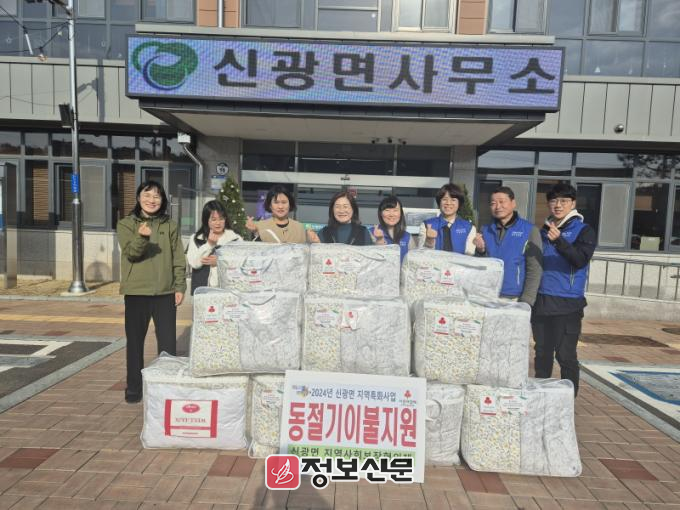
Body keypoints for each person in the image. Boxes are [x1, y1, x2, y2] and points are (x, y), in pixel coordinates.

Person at [117, 180, 186, 404]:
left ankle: (166, 387)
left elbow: (178, 257)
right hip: (136, 292)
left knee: (168, 344)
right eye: (147, 195)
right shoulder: (126, 224)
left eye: (157, 196)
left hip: (165, 292)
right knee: (135, 343)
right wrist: (142, 236)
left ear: (162, 200)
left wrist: (179, 286)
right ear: (138, 198)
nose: (152, 200)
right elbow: (131, 253)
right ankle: (134, 388)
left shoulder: (170, 225)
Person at [531, 183, 596, 396]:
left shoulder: (584, 230)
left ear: (573, 204)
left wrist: (560, 241)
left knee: (565, 355)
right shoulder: (543, 230)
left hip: (567, 303)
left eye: (563, 201)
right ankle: (540, 397)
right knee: (542, 354)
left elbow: (580, 259)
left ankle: (568, 401)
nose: (558, 205)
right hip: (542, 300)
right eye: (553, 201)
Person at [473, 186, 543, 305]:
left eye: (502, 202)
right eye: (493, 203)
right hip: (487, 295)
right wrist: (480, 251)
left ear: (513, 203)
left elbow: (535, 268)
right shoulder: (485, 230)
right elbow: (480, 264)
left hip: (514, 298)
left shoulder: (529, 230)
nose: (498, 206)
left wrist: (527, 300)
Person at [187, 200, 242, 293]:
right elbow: (194, 263)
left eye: (221, 219)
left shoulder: (235, 239)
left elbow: (241, 264)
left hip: (228, 293)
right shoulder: (196, 238)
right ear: (206, 220)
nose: (218, 223)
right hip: (203, 292)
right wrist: (209, 244)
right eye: (214, 219)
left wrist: (220, 262)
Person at [418, 183, 476, 255]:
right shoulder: (426, 225)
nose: (448, 203)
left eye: (453, 200)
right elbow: (421, 254)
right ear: (439, 202)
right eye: (444, 199)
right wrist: (429, 241)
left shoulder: (469, 227)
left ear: (459, 203)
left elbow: (469, 256)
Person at [307, 191, 373, 245]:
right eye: (337, 207)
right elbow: (317, 255)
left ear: (353, 209)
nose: (341, 211)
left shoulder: (363, 232)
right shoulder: (323, 232)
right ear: (332, 210)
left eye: (345, 206)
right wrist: (315, 244)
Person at [371, 195, 415, 262]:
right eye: (387, 210)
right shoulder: (370, 233)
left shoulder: (407, 237)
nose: (391, 214)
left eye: (395, 210)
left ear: (401, 213)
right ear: (380, 213)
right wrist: (379, 240)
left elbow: (414, 262)